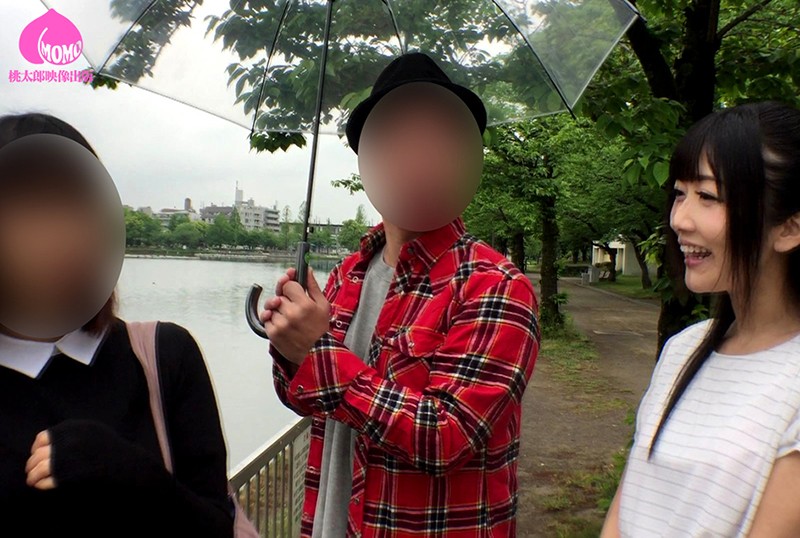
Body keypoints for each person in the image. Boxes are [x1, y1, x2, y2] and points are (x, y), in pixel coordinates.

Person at [260, 53, 540, 537]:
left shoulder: (495, 284)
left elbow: (447, 436)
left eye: (436, 140)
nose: (417, 157)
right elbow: (305, 399)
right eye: (396, 139)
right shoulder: (347, 274)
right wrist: (289, 346)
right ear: (371, 158)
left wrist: (317, 352)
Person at [0, 113, 234, 537]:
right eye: (29, 209)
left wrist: (132, 473)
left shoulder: (164, 355)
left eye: (78, 204)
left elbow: (218, 527)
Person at [602, 102, 800, 537]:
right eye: (679, 193)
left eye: (708, 196)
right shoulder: (684, 348)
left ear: (789, 228)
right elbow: (630, 504)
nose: (679, 219)